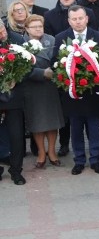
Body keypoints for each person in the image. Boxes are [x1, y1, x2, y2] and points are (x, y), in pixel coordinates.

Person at [56, 6, 99, 175]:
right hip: (72, 94)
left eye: (80, 18)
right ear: (69, 21)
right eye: (74, 19)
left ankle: (95, 159)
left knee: (94, 127)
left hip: (93, 93)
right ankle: (79, 160)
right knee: (76, 129)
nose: (78, 22)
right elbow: (55, 63)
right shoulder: (61, 38)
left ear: (87, 18)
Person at [20, 15, 64, 168]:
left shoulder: (52, 40)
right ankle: (41, 153)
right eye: (34, 27)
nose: (38, 29)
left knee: (52, 122)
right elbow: (21, 69)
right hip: (32, 88)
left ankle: (52, 152)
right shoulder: (21, 44)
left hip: (50, 87)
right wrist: (40, 73)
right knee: (37, 123)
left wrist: (54, 70)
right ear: (26, 29)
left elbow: (60, 59)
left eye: (40, 26)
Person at [0, 29, 27, 185]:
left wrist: (17, 78)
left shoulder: (16, 40)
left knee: (16, 136)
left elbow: (28, 64)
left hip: (13, 96)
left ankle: (16, 171)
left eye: (3, 30)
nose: (3, 34)